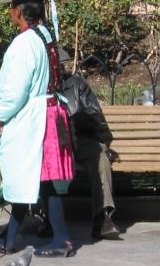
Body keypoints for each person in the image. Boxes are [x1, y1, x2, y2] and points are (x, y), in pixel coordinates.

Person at [0, 0, 75, 257]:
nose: (10, 12)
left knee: (30, 174)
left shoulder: (24, 43)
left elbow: (15, 89)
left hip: (36, 118)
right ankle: (11, 239)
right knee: (40, 178)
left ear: (20, 10)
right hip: (49, 112)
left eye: (12, 6)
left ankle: (60, 238)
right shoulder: (45, 36)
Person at [36, 65, 121, 240]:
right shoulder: (38, 88)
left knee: (100, 160)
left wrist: (72, 119)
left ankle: (102, 218)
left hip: (80, 137)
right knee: (45, 161)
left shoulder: (76, 84)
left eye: (57, 65)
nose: (55, 69)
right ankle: (49, 218)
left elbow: (94, 114)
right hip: (52, 141)